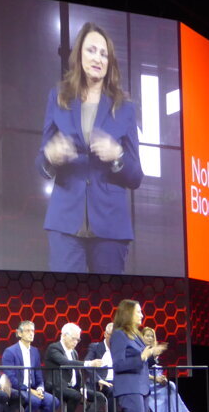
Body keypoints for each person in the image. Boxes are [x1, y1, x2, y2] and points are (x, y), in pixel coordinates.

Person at [37, 22, 144, 274]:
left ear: (110, 62)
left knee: (107, 297)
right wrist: (51, 156)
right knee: (63, 296)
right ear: (79, 55)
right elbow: (41, 163)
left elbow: (136, 176)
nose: (98, 58)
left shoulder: (125, 108)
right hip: (65, 223)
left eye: (104, 54)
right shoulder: (58, 97)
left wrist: (117, 155)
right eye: (91, 50)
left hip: (110, 226)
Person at [1, 321, 59, 412]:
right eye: (28, 331)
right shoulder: (10, 351)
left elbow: (38, 374)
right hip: (17, 388)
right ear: (19, 333)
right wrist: (29, 390)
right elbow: (11, 377)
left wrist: (40, 388)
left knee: (53, 401)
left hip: (33, 389)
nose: (31, 333)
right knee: (35, 401)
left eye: (32, 331)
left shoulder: (35, 351)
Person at [44, 323, 105, 412]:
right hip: (56, 386)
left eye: (78, 339)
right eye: (73, 339)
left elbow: (78, 373)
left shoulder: (74, 352)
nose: (76, 342)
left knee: (100, 397)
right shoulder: (54, 348)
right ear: (64, 335)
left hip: (73, 387)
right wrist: (89, 363)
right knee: (76, 395)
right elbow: (65, 363)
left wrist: (82, 387)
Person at [141, 327, 200, 412]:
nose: (150, 338)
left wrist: (162, 378)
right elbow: (140, 371)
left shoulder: (154, 352)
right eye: (147, 336)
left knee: (170, 385)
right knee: (164, 388)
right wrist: (155, 378)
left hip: (155, 380)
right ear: (142, 337)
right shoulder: (141, 351)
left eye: (152, 336)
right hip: (144, 381)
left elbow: (156, 370)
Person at [85, 322, 120, 412]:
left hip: (117, 381)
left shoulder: (119, 349)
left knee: (130, 393)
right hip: (100, 382)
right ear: (105, 334)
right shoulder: (95, 347)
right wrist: (98, 379)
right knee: (112, 390)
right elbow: (87, 364)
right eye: (111, 335)